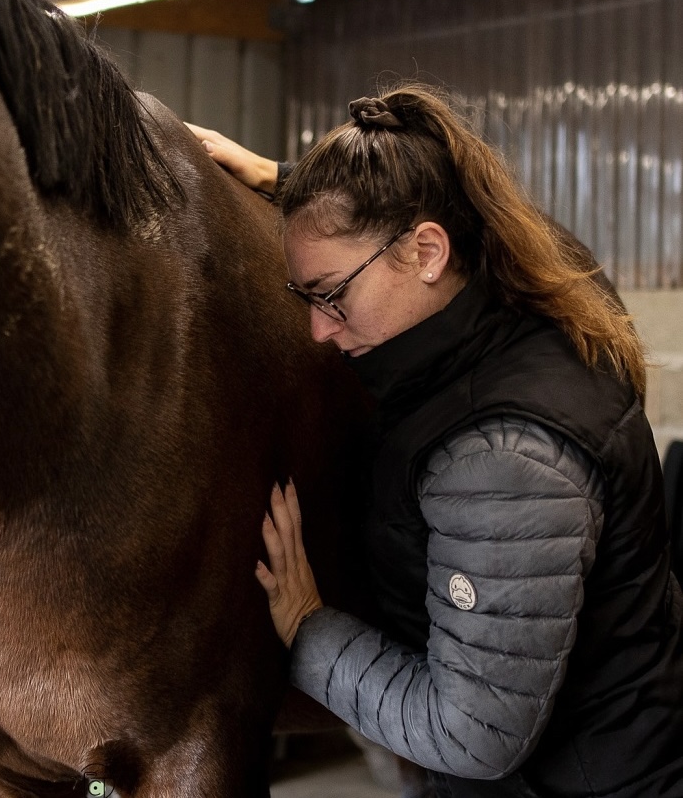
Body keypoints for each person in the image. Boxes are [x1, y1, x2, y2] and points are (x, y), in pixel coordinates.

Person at [189, 84, 683, 797]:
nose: (319, 330)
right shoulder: (539, 284)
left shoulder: (500, 459)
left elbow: (470, 733)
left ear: (427, 249)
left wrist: (307, 627)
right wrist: (285, 179)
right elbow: (463, 207)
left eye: (331, 294)